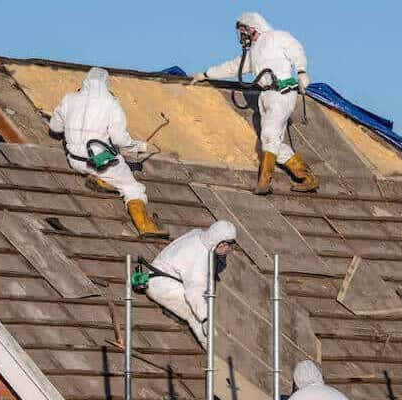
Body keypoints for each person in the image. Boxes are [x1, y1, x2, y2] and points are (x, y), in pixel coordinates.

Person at [190, 12, 319, 195]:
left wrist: (301, 71)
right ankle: (307, 176)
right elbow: (233, 67)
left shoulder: (276, 37)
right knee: (270, 142)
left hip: (282, 92)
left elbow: (296, 49)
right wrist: (206, 74)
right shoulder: (253, 53)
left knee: (269, 134)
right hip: (265, 95)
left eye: (243, 29)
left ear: (253, 27)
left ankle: (264, 182)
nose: (242, 34)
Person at [49, 67, 168, 238]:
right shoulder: (111, 104)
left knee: (108, 161)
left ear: (86, 82)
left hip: (74, 160)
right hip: (99, 161)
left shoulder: (69, 99)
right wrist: (141, 146)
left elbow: (54, 127)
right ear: (106, 84)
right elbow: (120, 140)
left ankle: (101, 180)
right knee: (132, 187)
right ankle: (146, 227)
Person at [145, 221, 237, 347]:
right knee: (195, 315)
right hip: (161, 285)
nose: (229, 250)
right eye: (228, 246)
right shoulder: (200, 257)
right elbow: (195, 291)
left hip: (165, 277)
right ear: (220, 243)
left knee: (202, 301)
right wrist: (205, 319)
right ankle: (215, 352)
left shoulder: (198, 235)